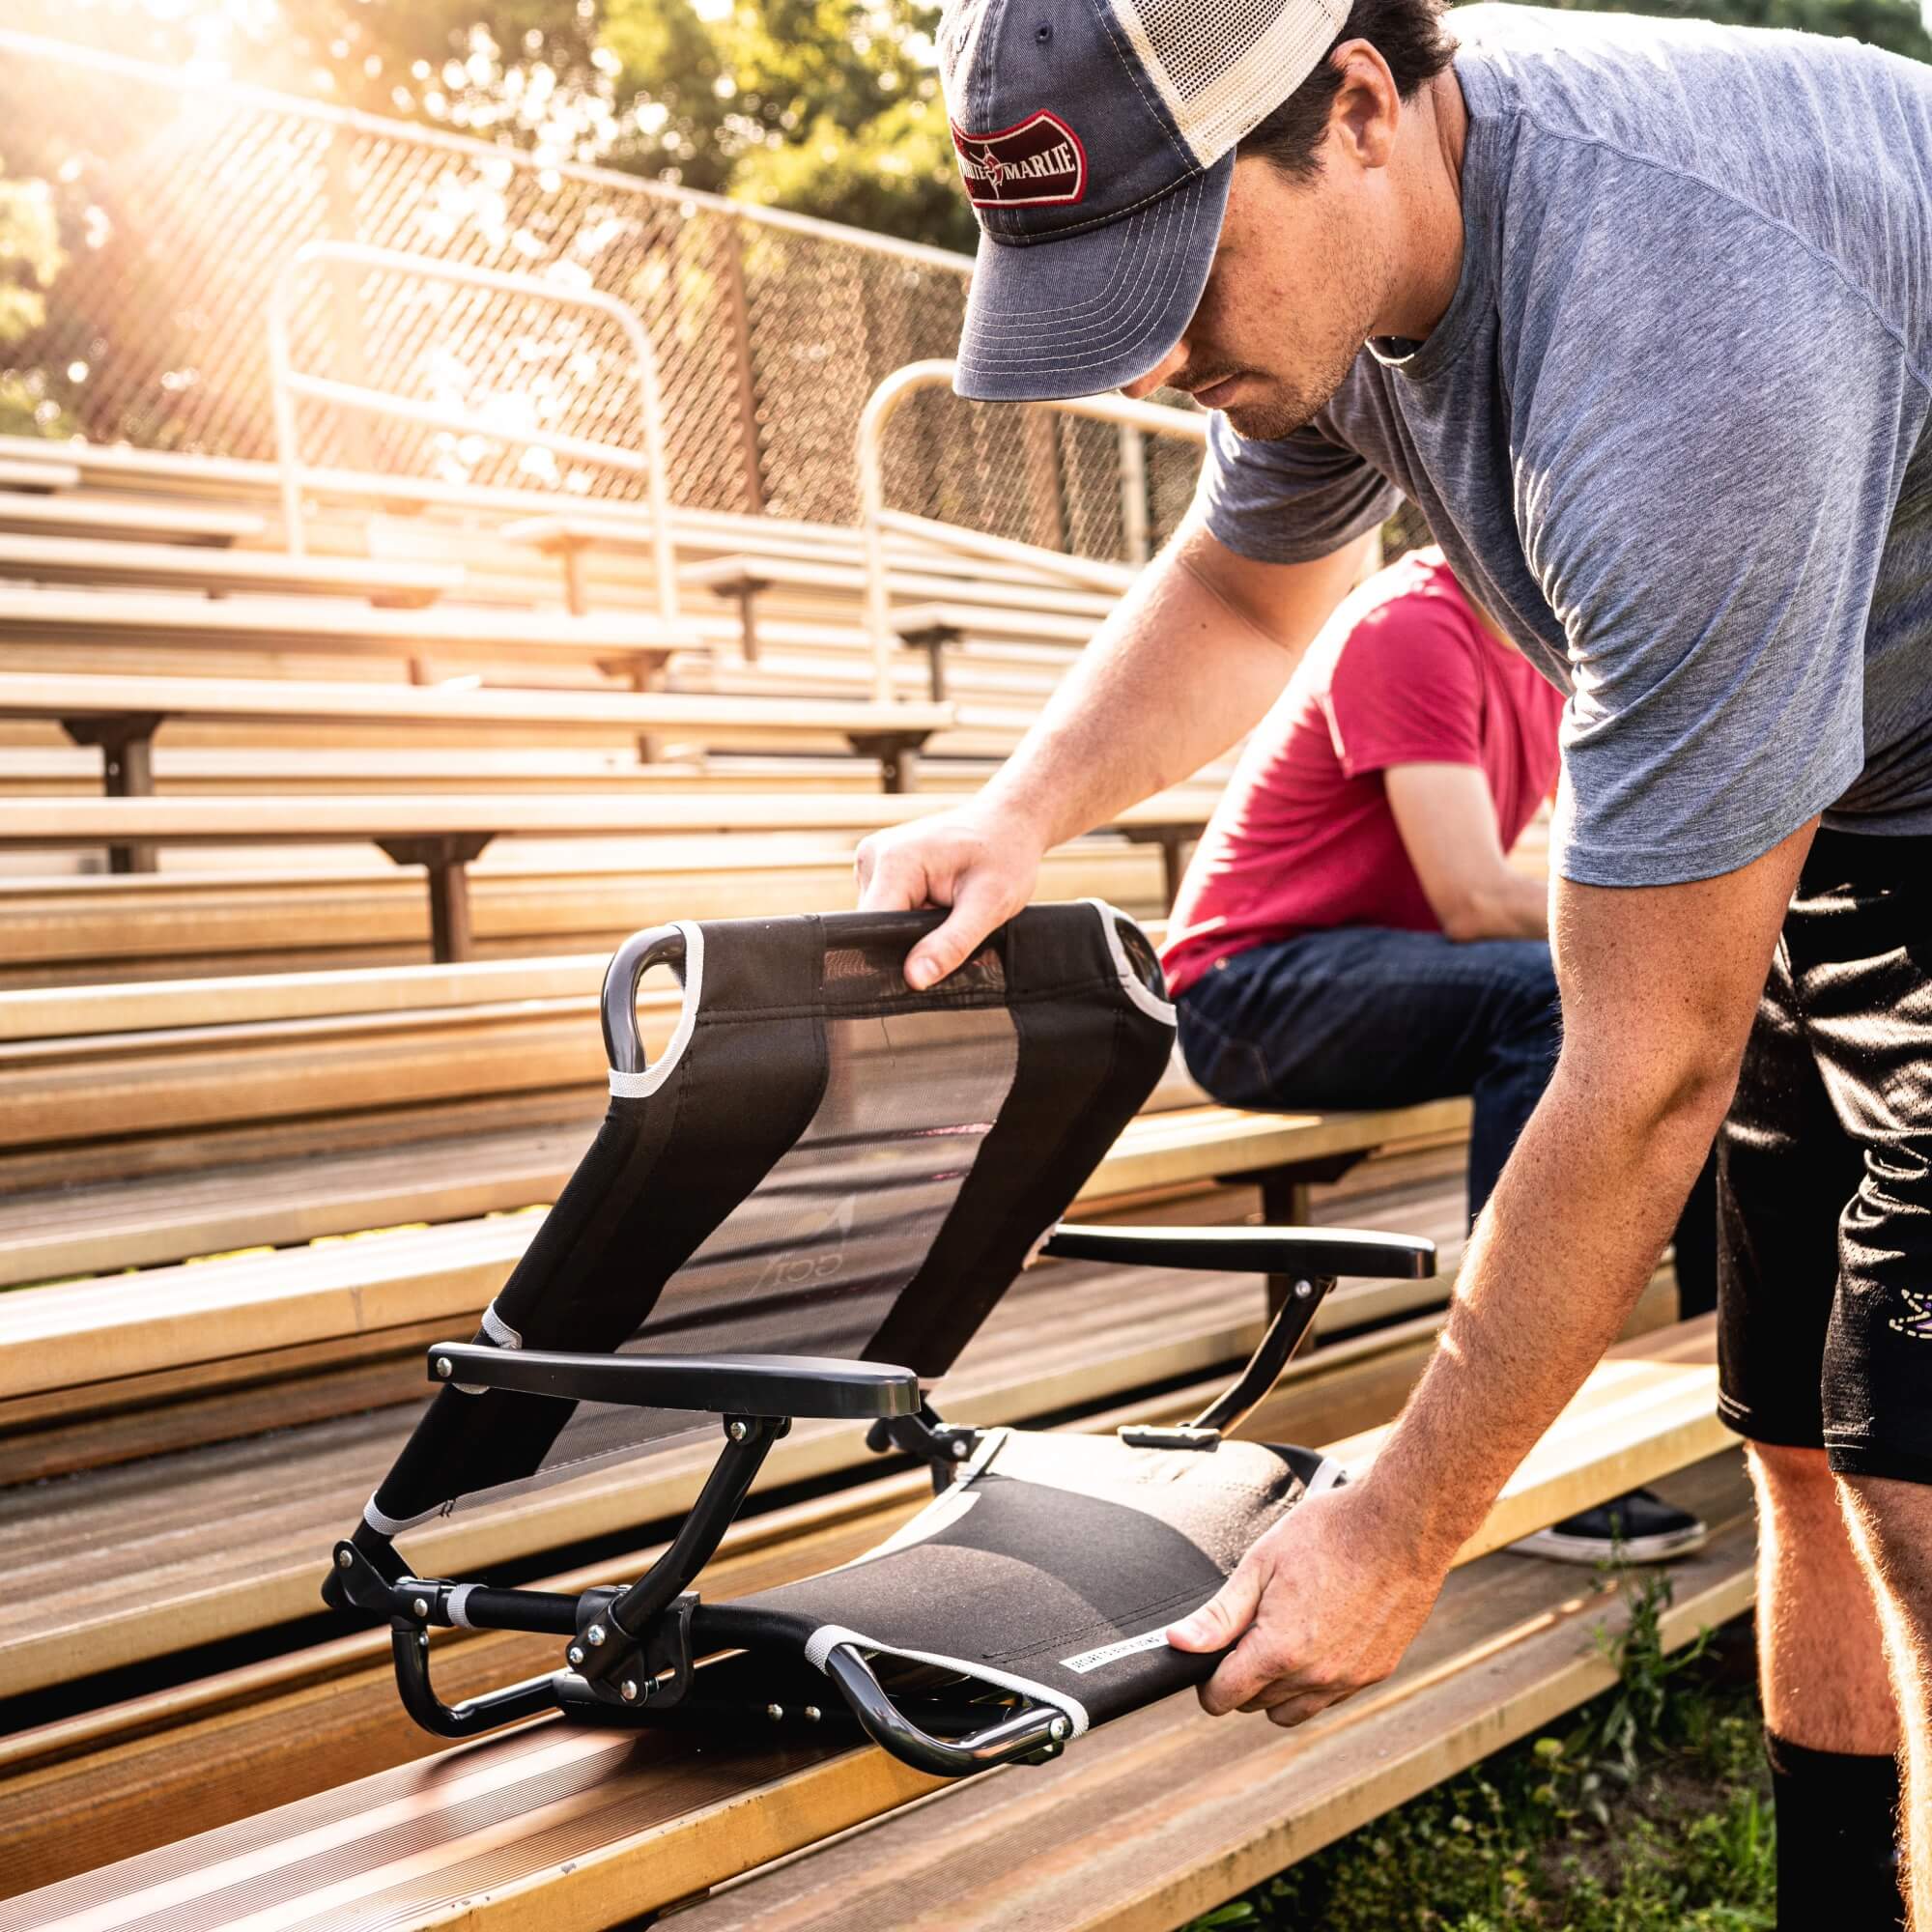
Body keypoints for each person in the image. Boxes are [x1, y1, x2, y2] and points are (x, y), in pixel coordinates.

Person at [854, 1, 1932, 1923]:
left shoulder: (1677, 345)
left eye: (1175, 282)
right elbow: (1250, 583)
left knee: (1931, 1499)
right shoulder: (1346, 279)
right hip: (1835, 765)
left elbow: (1644, 1069)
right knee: (1794, 1443)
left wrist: (1401, 1525)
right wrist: (1025, 812)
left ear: (1351, 105)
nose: (1160, 361)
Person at [1163, 541, 1713, 1565]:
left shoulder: (1550, 651)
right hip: (1247, 990)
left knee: (1697, 1003)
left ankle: (1729, 1380)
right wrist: (1677, 931)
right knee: (1563, 994)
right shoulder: (1410, 623)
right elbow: (1470, 894)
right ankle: (1510, 1452)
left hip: (1377, 973)